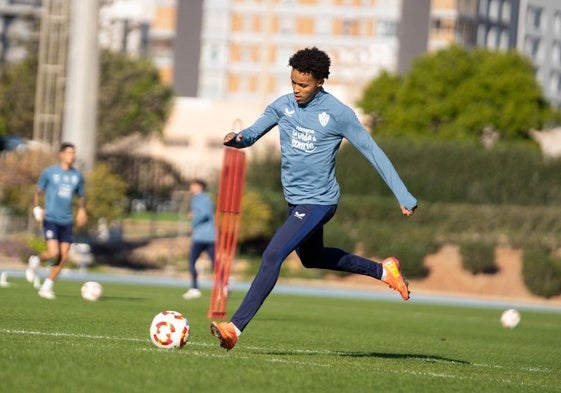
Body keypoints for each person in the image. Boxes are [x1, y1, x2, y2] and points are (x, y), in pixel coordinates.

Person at [210, 47, 417, 350]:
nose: (296, 90)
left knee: (272, 255)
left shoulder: (338, 113)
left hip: (320, 201)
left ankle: (235, 328)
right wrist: (238, 140)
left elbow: (372, 151)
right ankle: (385, 271)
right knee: (312, 258)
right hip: (296, 201)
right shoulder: (283, 106)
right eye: (293, 82)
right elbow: (253, 133)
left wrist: (403, 194)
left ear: (320, 81)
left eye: (303, 85)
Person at [26, 142, 87, 299]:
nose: (72, 156)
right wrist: (36, 208)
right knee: (54, 253)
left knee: (63, 256)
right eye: (69, 153)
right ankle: (36, 259)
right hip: (51, 218)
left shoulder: (77, 176)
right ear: (61, 154)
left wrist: (81, 210)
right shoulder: (49, 172)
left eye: (73, 153)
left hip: (67, 220)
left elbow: (81, 196)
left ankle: (46, 287)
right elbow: (38, 191)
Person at [182, 179, 216, 300]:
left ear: (199, 187)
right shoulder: (205, 198)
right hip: (210, 236)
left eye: (193, 186)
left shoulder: (200, 198)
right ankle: (223, 287)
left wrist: (193, 220)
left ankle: (195, 288)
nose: (191, 188)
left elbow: (205, 214)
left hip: (203, 236)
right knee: (215, 263)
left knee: (192, 261)